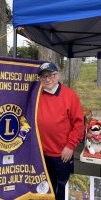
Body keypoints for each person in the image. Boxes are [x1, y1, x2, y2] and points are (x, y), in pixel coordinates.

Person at [37, 62, 84, 200]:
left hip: (62, 154)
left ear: (57, 75)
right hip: (42, 153)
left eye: (50, 75)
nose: (47, 79)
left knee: (64, 188)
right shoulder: (37, 96)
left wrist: (70, 146)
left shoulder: (70, 95)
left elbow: (79, 124)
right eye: (43, 77)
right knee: (46, 188)